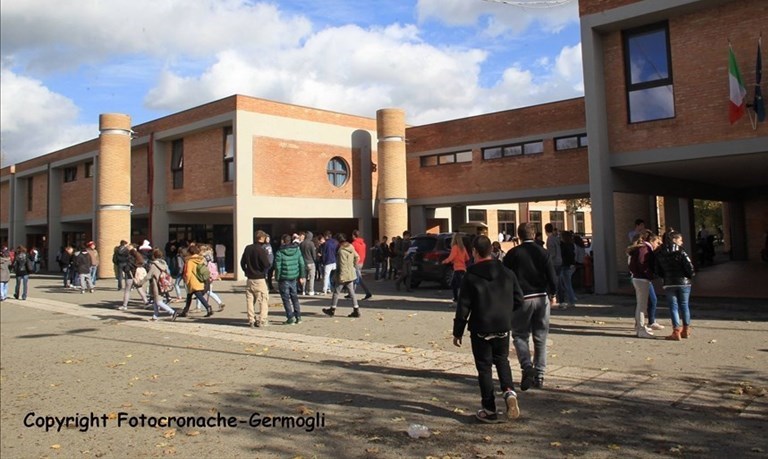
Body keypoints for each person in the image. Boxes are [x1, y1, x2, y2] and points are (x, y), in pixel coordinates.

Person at [452, 235, 524, 423]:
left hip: (480, 326)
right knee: (502, 360)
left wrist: (458, 330)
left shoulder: (471, 274)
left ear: (475, 252)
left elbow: (464, 305)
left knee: (484, 368)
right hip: (502, 325)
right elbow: (519, 299)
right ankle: (509, 391)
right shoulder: (507, 272)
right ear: (491, 250)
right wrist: (506, 313)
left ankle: (489, 408)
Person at [502, 222, 558, 391]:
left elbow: (505, 278)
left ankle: (527, 366)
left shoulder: (512, 254)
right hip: (541, 297)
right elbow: (552, 276)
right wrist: (553, 293)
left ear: (519, 235)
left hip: (521, 298)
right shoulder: (543, 252)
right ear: (534, 235)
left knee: (519, 335)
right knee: (541, 337)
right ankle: (540, 375)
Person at [655, 231, 695, 341]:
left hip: (669, 282)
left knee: (673, 307)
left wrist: (664, 277)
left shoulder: (659, 252)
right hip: (684, 282)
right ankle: (686, 330)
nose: (682, 242)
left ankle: (676, 331)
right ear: (674, 240)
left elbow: (657, 269)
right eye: (680, 239)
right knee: (684, 305)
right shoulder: (681, 251)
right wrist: (689, 276)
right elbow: (690, 267)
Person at [322, 233, 361, 318]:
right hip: (351, 273)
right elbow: (357, 257)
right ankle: (356, 309)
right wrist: (353, 266)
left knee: (336, 292)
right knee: (352, 293)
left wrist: (341, 277)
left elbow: (342, 265)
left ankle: (332, 309)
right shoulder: (351, 247)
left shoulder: (341, 251)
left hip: (343, 274)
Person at [627, 230, 657, 339]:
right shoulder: (644, 249)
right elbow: (642, 263)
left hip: (638, 277)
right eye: (657, 242)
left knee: (641, 304)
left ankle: (640, 327)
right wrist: (648, 274)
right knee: (642, 305)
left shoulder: (639, 248)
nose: (657, 245)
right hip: (642, 278)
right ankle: (641, 328)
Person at [136, 249, 178, 321]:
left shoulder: (154, 265)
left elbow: (148, 276)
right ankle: (155, 316)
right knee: (156, 300)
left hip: (157, 285)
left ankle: (172, 312)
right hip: (163, 284)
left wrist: (140, 283)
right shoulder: (164, 263)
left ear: (153, 256)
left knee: (158, 302)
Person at [240, 230, 271, 327]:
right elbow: (267, 264)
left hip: (250, 278)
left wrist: (246, 271)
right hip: (259, 278)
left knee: (250, 299)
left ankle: (251, 319)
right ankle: (262, 319)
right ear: (262, 238)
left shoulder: (248, 248)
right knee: (263, 299)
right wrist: (263, 271)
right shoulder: (261, 250)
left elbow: (242, 262)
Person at [274, 234, 306, 324]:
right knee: (294, 297)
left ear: (283, 241)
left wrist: (277, 277)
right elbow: (302, 264)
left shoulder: (279, 252)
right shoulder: (297, 250)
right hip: (294, 277)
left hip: (283, 278)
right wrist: (302, 275)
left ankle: (290, 317)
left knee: (286, 299)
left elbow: (278, 267)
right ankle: (298, 316)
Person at [443, 233, 470, 306]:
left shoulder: (455, 247)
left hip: (457, 268)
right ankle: (458, 299)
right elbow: (467, 258)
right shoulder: (463, 248)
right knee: (458, 285)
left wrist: (445, 261)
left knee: (455, 285)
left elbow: (452, 257)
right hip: (463, 268)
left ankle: (457, 300)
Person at [350, 229, 372, 300]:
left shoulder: (354, 244)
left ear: (354, 236)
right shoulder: (363, 244)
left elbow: (352, 254)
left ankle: (367, 292)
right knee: (356, 277)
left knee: (358, 278)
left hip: (356, 262)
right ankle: (351, 293)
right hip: (361, 262)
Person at [558, 231, 578, 309]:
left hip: (563, 264)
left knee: (563, 283)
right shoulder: (571, 245)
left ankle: (569, 299)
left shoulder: (562, 245)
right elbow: (572, 255)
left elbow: (562, 255)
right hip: (568, 265)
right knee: (568, 283)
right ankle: (572, 299)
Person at [299, 231, 317, 296]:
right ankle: (311, 290)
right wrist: (315, 259)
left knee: (304, 277)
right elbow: (314, 254)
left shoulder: (301, 244)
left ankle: (303, 290)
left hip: (303, 262)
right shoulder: (311, 243)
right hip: (311, 262)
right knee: (312, 277)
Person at [320, 230, 338, 295]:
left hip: (328, 261)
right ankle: (331, 288)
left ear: (326, 236)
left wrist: (323, 262)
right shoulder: (336, 242)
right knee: (332, 276)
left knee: (326, 276)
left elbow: (324, 253)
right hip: (335, 261)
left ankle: (325, 290)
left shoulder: (326, 244)